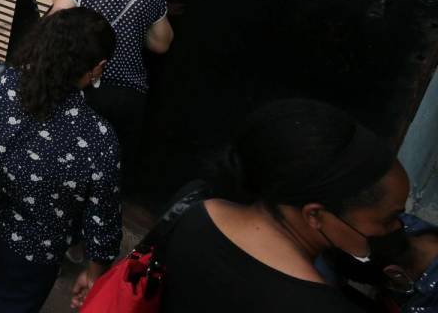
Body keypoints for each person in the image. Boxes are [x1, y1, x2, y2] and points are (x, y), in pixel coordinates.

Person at [159, 98, 411, 313]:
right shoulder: (318, 306)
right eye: (387, 219)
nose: (396, 228)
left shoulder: (192, 207)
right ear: (314, 215)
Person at [0, 8, 122, 312]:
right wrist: (95, 269)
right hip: (32, 254)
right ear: (97, 68)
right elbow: (103, 218)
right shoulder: (98, 137)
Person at [48, 0, 171, 176]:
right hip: (129, 95)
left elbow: (56, 30)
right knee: (109, 173)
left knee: (64, 168)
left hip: (81, 86)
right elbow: (161, 43)